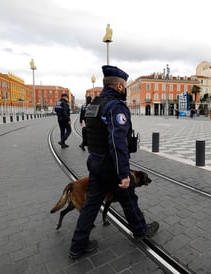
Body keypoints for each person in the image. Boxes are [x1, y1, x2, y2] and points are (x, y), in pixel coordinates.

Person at [68, 65, 159, 259]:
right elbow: (118, 143)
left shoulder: (94, 103)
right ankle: (141, 230)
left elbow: (89, 132)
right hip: (111, 165)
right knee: (129, 199)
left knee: (92, 204)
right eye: (125, 85)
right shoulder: (115, 106)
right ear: (119, 86)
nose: (125, 89)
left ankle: (77, 245)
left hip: (95, 162)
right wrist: (124, 173)